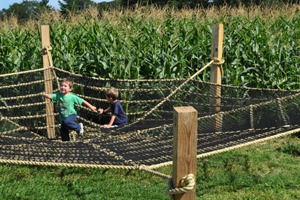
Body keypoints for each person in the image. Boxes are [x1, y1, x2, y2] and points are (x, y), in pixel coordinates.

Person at [43, 77, 96, 141]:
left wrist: (91, 106)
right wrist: (46, 95)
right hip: (63, 117)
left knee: (67, 122)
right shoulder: (58, 95)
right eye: (62, 85)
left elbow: (82, 101)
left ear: (70, 89)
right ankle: (66, 143)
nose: (63, 87)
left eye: (65, 86)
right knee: (63, 132)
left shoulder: (72, 97)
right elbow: (52, 96)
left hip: (71, 114)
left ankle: (78, 127)